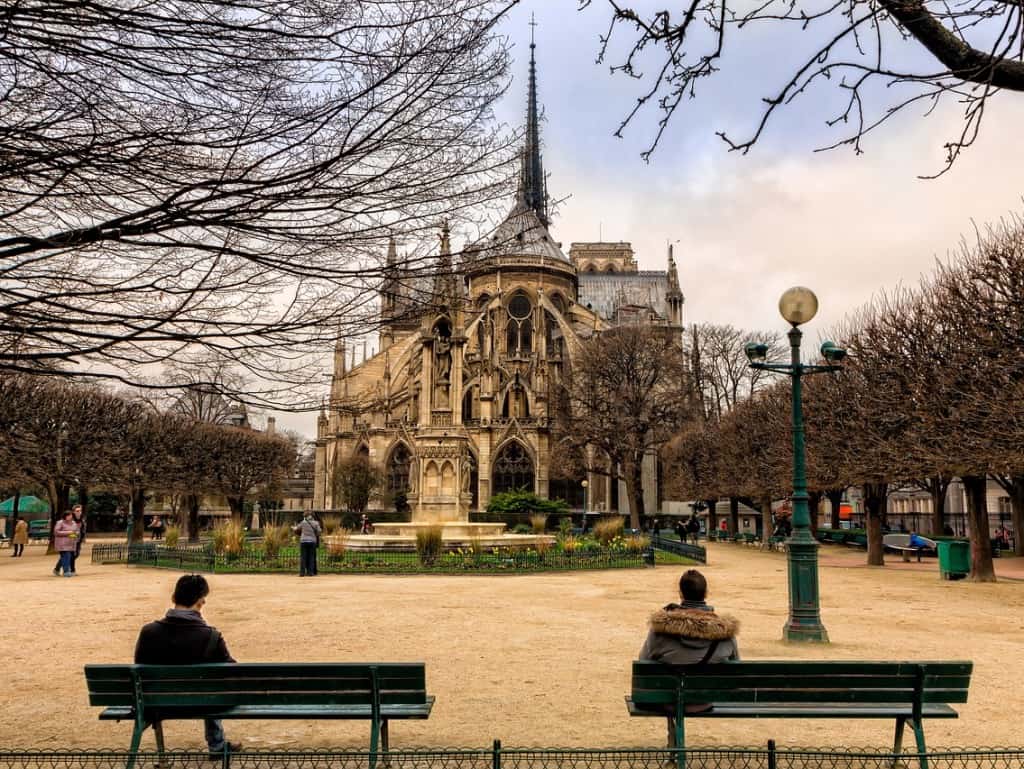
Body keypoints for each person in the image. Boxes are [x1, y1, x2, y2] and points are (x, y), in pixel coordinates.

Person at [134, 574, 240, 757]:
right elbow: (232, 672)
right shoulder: (210, 636)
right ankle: (216, 744)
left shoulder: (148, 632)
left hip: (157, 704)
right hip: (204, 703)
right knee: (213, 686)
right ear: (201, 602)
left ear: (174, 598)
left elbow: (139, 667)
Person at [639, 569, 740, 747]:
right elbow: (736, 666)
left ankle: (674, 744)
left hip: (670, 699)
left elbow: (644, 661)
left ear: (680, 593)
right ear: (706, 593)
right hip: (705, 699)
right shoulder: (725, 631)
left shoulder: (662, 628)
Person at [293, 512, 322, 577]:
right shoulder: (316, 523)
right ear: (312, 516)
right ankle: (310, 572)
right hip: (312, 541)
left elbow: (296, 529)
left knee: (303, 557)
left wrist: (294, 528)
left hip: (303, 541)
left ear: (306, 516)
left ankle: (302, 573)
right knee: (311, 557)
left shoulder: (303, 522)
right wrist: (315, 534)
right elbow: (319, 531)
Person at [53, 510, 80, 577]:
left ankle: (56, 569)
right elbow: (56, 532)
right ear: (65, 516)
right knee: (66, 556)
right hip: (62, 543)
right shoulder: (60, 523)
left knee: (64, 557)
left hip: (71, 543)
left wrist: (74, 535)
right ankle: (66, 571)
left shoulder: (74, 523)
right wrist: (69, 532)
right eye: (68, 516)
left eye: (70, 515)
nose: (70, 517)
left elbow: (76, 532)